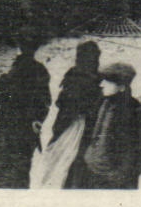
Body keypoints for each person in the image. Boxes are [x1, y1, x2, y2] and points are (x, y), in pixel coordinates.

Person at [67, 61, 141, 189]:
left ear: (122, 87)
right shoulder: (104, 102)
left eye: (108, 81)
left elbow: (134, 150)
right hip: (94, 169)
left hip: (113, 178)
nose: (101, 84)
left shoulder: (133, 110)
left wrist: (118, 177)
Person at [0, 32, 52, 188]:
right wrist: (37, 120)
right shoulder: (41, 72)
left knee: (1, 175)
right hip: (26, 135)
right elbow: (45, 103)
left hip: (7, 133)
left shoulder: (13, 74)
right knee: (20, 176)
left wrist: (4, 78)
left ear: (19, 49)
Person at [35, 40, 100, 187]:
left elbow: (64, 105)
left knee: (62, 162)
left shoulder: (73, 76)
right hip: (84, 128)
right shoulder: (96, 78)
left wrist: (57, 130)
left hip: (72, 127)